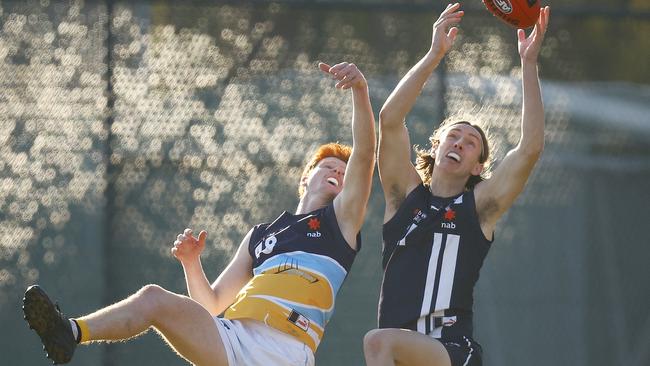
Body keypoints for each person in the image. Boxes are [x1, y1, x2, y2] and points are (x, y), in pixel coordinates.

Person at [22, 61, 376, 366]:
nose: (339, 172)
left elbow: (364, 154)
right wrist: (191, 263)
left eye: (345, 173)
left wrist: (359, 91)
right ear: (305, 177)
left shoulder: (340, 223)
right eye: (329, 165)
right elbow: (211, 304)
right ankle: (69, 332)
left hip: (284, 351)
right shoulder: (261, 235)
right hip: (231, 336)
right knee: (152, 298)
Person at [363, 3, 550, 366]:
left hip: (451, 350)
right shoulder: (404, 197)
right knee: (381, 343)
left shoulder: (478, 208)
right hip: (401, 351)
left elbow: (530, 148)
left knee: (377, 343)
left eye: (470, 142)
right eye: (454, 136)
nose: (460, 143)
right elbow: (389, 119)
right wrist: (434, 54)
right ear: (436, 146)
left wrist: (528, 64)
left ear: (479, 165)